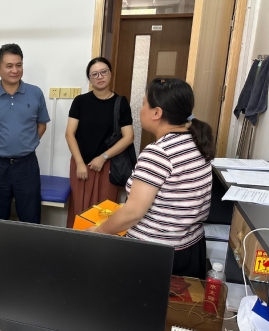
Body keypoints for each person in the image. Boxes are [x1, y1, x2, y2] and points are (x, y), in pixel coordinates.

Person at [90, 78, 214, 279]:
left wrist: (97, 232)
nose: (140, 110)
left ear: (157, 113)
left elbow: (133, 213)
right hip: (191, 248)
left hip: (156, 253)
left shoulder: (159, 152)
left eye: (144, 104)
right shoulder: (197, 143)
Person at [0, 44, 50, 224]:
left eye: (19, 65)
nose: (15, 70)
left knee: (30, 218)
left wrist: (28, 143)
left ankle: (29, 244)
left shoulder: (35, 93)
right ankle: (2, 244)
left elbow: (42, 125)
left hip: (27, 165)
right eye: (9, 66)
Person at [65, 57, 134, 228]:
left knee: (104, 212)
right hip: (81, 166)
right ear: (89, 78)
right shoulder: (80, 101)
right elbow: (69, 134)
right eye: (94, 74)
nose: (100, 77)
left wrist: (103, 157)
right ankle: (76, 244)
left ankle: (101, 245)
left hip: (107, 166)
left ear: (110, 73)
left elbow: (128, 137)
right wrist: (80, 163)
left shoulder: (120, 103)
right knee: (79, 210)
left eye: (103, 72)